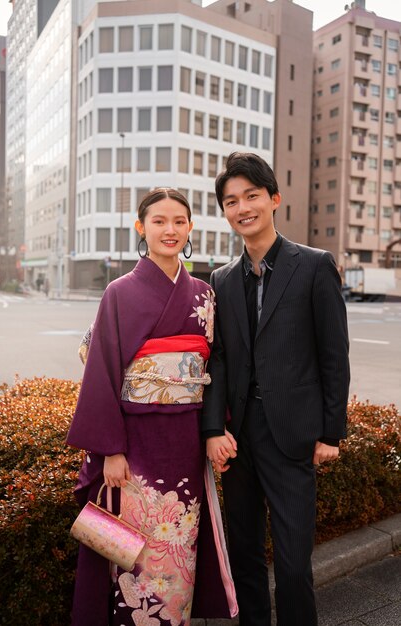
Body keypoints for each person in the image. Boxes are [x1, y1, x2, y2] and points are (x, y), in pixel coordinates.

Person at [67, 188, 237, 626]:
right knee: (132, 553)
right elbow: (102, 371)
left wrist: (215, 429)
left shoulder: (203, 294)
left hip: (184, 442)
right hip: (134, 449)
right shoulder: (120, 292)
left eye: (179, 221)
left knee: (177, 548)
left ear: (191, 228)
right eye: (159, 221)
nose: (170, 230)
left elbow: (215, 365)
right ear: (141, 228)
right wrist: (110, 450)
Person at [202, 153, 350, 626]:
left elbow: (333, 354)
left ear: (273, 199)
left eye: (251, 196)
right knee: (245, 556)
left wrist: (331, 433)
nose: (242, 207)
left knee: (291, 563)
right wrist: (212, 429)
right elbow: (219, 360)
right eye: (231, 201)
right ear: (224, 211)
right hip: (239, 438)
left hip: (293, 435)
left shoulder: (313, 266)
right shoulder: (222, 280)